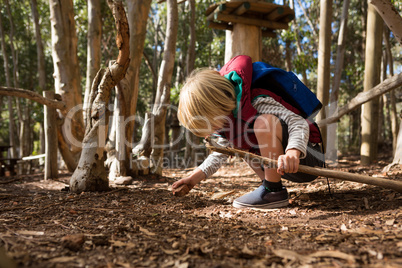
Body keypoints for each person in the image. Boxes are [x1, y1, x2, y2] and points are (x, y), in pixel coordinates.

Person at [172, 55, 325, 209]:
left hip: (306, 158)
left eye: (211, 124)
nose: (212, 131)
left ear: (217, 106)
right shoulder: (228, 122)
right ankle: (268, 186)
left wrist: (293, 152)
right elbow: (220, 154)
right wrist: (193, 179)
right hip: (282, 166)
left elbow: (298, 122)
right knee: (239, 143)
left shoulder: (256, 101)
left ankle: (273, 191)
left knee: (263, 123)